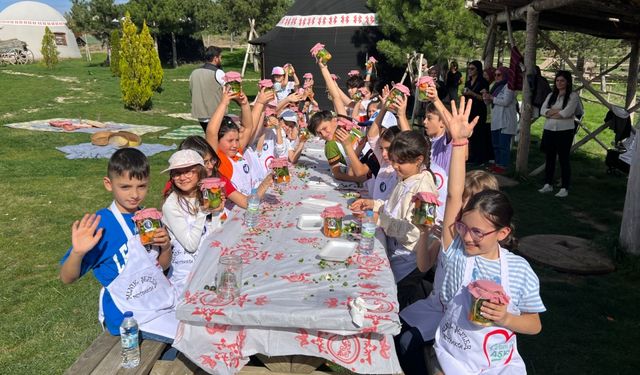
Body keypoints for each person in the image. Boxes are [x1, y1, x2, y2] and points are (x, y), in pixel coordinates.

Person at [434, 97, 545, 374]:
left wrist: (506, 317)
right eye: (463, 226)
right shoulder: (455, 250)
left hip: (500, 364)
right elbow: (453, 194)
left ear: (503, 232)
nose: (468, 237)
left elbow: (534, 324)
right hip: (455, 359)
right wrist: (459, 144)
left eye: (477, 232)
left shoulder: (519, 271)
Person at [59, 148, 179, 344]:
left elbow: (162, 267)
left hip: (155, 303)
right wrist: (78, 253)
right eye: (125, 187)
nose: (134, 194)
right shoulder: (102, 226)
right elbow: (66, 278)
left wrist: (165, 247)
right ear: (109, 184)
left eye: (142, 186)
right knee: (190, 340)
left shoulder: (148, 218)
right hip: (126, 317)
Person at [397, 170, 499, 375]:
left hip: (460, 317)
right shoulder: (450, 232)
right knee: (395, 329)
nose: (465, 207)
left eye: (472, 202)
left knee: (408, 342)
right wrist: (425, 234)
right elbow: (424, 266)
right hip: (436, 305)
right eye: (464, 201)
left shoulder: (485, 245)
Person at [350, 130, 438, 309]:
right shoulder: (406, 177)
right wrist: (373, 204)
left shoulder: (424, 191)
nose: (395, 166)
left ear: (419, 160)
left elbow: (414, 232)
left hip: (409, 259)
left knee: (392, 300)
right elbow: (393, 205)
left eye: (401, 162)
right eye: (394, 160)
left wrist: (380, 220)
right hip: (395, 250)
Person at [162, 150, 225, 296]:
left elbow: (215, 234)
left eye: (189, 172)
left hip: (208, 265)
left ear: (200, 172)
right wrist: (203, 212)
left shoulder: (205, 195)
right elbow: (190, 245)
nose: (183, 177)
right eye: (177, 173)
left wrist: (216, 212)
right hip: (185, 274)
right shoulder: (171, 205)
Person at [205, 87, 273, 200]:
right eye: (230, 141)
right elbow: (211, 132)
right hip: (232, 211)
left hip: (251, 203)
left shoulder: (237, 153)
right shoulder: (218, 159)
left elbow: (248, 127)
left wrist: (244, 103)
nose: (235, 145)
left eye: (237, 140)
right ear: (217, 141)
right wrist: (224, 103)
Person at [538, 70, 579, 198]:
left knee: (563, 159)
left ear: (567, 82)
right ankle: (547, 184)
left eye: (562, 80)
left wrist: (553, 113)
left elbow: (566, 113)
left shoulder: (573, 96)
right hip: (550, 130)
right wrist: (557, 112)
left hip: (564, 131)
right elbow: (542, 111)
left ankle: (564, 187)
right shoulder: (551, 95)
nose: (559, 83)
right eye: (557, 80)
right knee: (549, 158)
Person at [484, 66, 518, 174]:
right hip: (496, 119)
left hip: (505, 120)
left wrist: (492, 98)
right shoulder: (495, 87)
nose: (496, 77)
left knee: (503, 145)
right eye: (495, 75)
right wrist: (486, 97)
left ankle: (503, 166)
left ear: (505, 75)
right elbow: (489, 103)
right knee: (496, 144)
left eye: (499, 75)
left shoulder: (509, 87)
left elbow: (506, 101)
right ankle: (497, 164)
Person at [463, 60, 492, 165]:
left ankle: (480, 158)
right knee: (470, 134)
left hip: (479, 110)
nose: (470, 71)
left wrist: (472, 93)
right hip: (469, 110)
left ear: (478, 70)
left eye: (472, 69)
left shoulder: (483, 82)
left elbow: (484, 98)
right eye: (469, 68)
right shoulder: (468, 82)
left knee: (479, 134)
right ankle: (471, 156)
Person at [190, 46, 225, 131]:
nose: (221, 59)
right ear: (216, 58)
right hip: (215, 114)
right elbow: (228, 91)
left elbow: (192, 91)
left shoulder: (194, 73)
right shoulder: (218, 73)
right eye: (220, 57)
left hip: (200, 115)